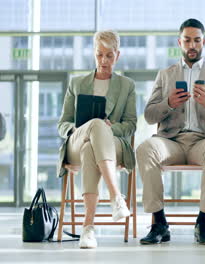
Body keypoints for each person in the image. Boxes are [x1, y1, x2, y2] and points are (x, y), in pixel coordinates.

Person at [137, 18, 205, 246]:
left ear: (204, 42)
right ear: (179, 42)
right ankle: (159, 222)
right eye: (187, 40)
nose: (192, 45)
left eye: (197, 40)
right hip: (172, 140)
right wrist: (168, 103)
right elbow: (150, 115)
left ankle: (202, 222)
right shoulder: (165, 74)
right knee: (145, 149)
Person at [57, 30, 136, 249]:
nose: (104, 60)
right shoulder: (76, 84)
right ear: (94, 54)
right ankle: (115, 196)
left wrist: (111, 128)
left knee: (91, 148)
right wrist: (82, 128)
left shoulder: (127, 86)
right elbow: (62, 124)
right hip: (77, 141)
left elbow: (131, 125)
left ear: (117, 56)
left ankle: (88, 229)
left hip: (112, 145)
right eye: (99, 55)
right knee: (94, 127)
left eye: (109, 55)